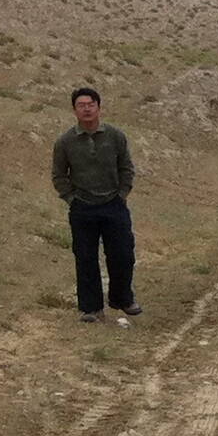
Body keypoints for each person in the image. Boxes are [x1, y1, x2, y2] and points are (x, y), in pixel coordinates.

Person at [52, 86, 140, 322]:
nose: (87, 109)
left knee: (122, 254)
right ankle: (91, 308)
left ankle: (123, 299)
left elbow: (126, 168)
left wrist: (122, 194)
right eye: (81, 105)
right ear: (74, 110)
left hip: (114, 204)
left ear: (99, 107)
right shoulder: (65, 142)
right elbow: (59, 175)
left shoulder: (115, 136)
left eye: (91, 104)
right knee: (85, 257)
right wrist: (71, 199)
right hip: (82, 207)